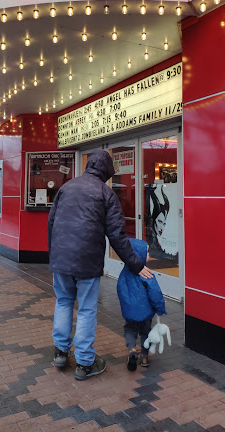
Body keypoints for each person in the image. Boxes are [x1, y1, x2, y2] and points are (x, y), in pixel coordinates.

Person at [48, 150, 153, 381]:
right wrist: (136, 265)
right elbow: (117, 236)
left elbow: (52, 222)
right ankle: (85, 363)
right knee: (86, 309)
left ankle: (60, 352)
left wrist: (53, 254)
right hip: (87, 261)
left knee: (64, 301)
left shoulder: (66, 187)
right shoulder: (106, 193)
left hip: (61, 259)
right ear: (106, 170)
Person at [117, 238, 166, 371]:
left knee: (129, 330)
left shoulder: (124, 273)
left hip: (130, 311)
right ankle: (144, 357)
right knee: (146, 332)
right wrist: (160, 309)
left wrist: (126, 306)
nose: (149, 255)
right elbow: (155, 294)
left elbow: (120, 290)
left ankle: (132, 349)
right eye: (147, 253)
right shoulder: (147, 273)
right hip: (146, 312)